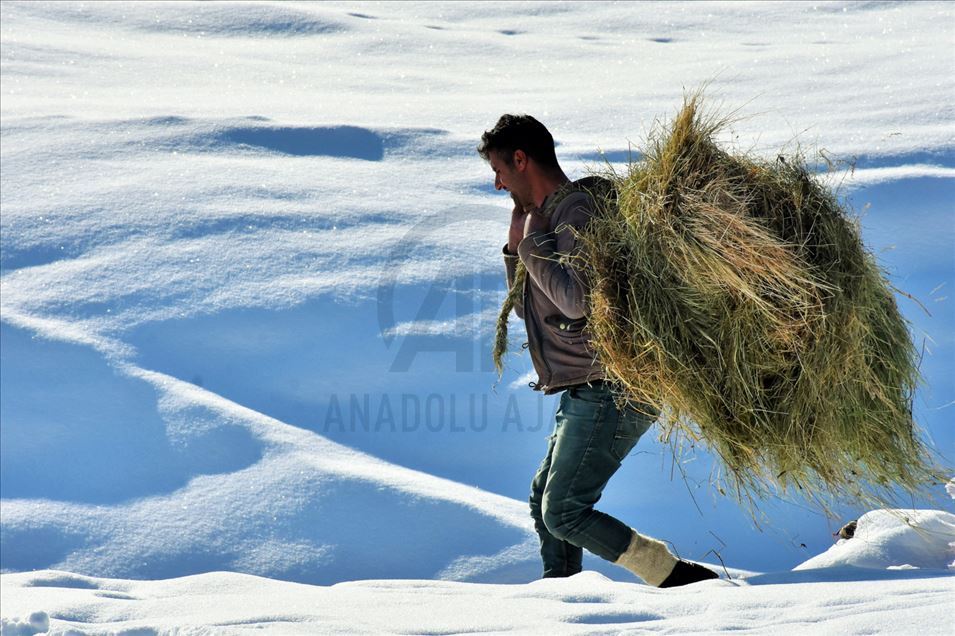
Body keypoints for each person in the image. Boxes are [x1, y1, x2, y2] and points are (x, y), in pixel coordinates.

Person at [478, 114, 719, 587]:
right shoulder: (548, 222)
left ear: (521, 159)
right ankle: (565, 597)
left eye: (499, 171)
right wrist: (516, 251)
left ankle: (679, 581)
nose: (497, 183)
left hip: (614, 386)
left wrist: (531, 243)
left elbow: (576, 301)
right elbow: (540, 313)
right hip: (586, 387)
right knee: (543, 499)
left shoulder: (579, 211)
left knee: (564, 510)